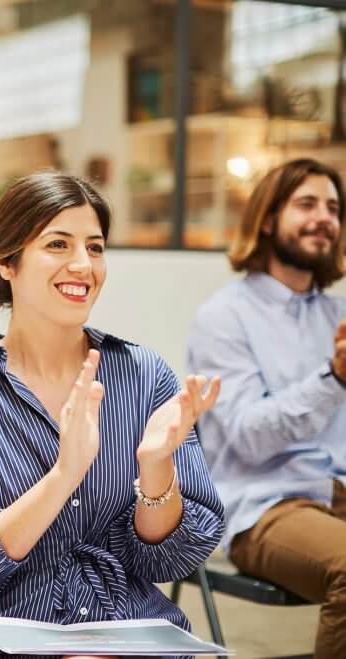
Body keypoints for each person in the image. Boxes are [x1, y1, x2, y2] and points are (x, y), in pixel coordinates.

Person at [0, 172, 225, 658]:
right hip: (2, 640)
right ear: (8, 263)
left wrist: (156, 468)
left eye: (96, 248)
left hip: (133, 632)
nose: (83, 265)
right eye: (58, 245)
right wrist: (63, 476)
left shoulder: (143, 375)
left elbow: (175, 558)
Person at [187, 158, 346, 658]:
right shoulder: (223, 318)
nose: (324, 217)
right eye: (307, 204)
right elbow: (249, 436)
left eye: (334, 208)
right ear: (269, 219)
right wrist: (334, 377)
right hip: (265, 505)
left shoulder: (337, 315)